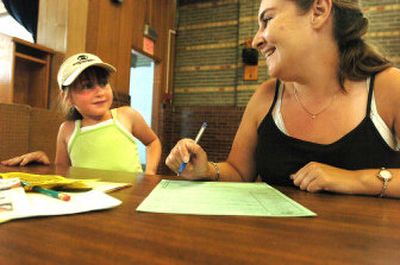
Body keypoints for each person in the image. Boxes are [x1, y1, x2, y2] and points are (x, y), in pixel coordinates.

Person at [165, 0, 400, 198]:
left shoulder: (389, 87)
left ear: (318, 11)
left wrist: (353, 180)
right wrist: (206, 170)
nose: (257, 40)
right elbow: (238, 172)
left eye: (267, 20)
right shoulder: (265, 97)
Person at [1, 53, 161, 174]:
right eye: (87, 86)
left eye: (103, 83)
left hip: (131, 200)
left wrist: (150, 173)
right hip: (90, 204)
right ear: (68, 97)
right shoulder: (67, 130)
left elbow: (152, 142)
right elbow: (62, 172)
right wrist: (44, 161)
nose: (99, 91)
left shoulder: (127, 115)